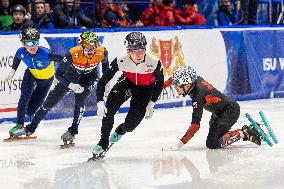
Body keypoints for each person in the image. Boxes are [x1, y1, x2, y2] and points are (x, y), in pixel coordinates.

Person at [10, 31, 109, 144]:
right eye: (88, 48)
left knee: (79, 102)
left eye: (94, 47)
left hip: (89, 78)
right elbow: (58, 74)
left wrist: (106, 83)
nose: (91, 51)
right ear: (81, 46)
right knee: (47, 104)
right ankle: (30, 128)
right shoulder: (72, 53)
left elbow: (106, 68)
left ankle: (72, 131)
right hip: (71, 76)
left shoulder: (102, 52)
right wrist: (70, 85)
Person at [89, 32, 164, 160]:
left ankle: (121, 130)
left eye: (142, 50)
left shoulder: (154, 62)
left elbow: (160, 82)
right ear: (128, 51)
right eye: (135, 50)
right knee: (109, 109)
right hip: (127, 83)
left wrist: (152, 103)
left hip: (145, 89)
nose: (139, 54)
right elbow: (103, 81)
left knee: (131, 126)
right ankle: (103, 141)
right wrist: (100, 102)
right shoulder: (120, 60)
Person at [162, 66, 261, 150]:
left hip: (230, 111)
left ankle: (245, 132)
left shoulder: (198, 95)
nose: (175, 88)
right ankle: (248, 130)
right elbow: (172, 79)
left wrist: (178, 145)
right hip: (221, 111)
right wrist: (158, 88)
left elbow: (195, 126)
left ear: (187, 85)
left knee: (213, 144)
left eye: (177, 86)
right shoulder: (194, 79)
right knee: (216, 136)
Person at [6, 27, 63, 137]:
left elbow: (64, 59)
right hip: (31, 74)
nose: (33, 46)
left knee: (31, 110)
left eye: (35, 42)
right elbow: (17, 58)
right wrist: (12, 71)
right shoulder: (21, 51)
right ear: (23, 43)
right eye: (30, 42)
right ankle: (19, 125)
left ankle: (29, 124)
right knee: (24, 97)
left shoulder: (46, 53)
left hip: (46, 80)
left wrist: (66, 71)